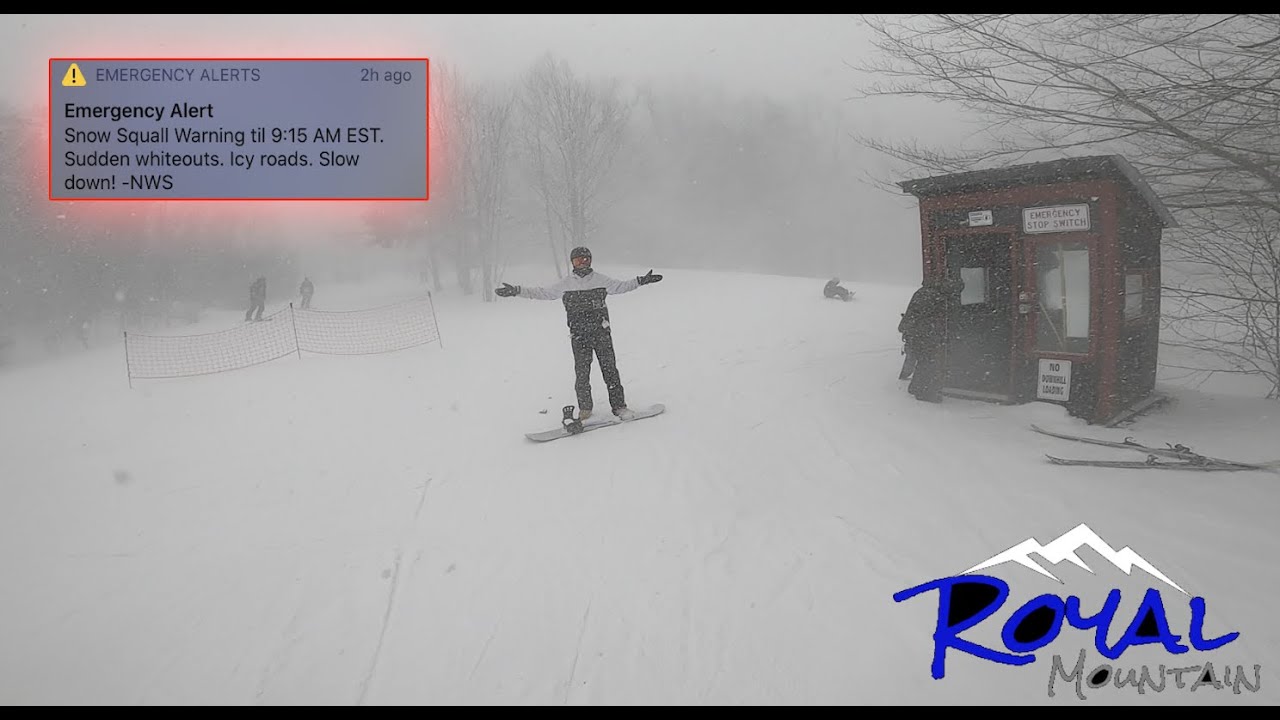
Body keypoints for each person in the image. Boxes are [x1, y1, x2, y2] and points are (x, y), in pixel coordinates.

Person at [495, 246, 663, 421]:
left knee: (610, 370)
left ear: (590, 261)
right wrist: (517, 291)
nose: (582, 263)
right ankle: (585, 409)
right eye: (578, 260)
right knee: (582, 372)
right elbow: (542, 293)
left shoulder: (601, 280)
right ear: (572, 263)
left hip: (601, 333)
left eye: (586, 259)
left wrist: (641, 280)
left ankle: (619, 406)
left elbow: (621, 286)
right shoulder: (566, 284)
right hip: (579, 335)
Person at [898, 277, 954, 402]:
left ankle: (915, 387)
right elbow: (937, 316)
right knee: (928, 362)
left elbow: (913, 313)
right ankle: (924, 393)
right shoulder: (935, 296)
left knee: (923, 361)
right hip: (925, 335)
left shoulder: (921, 292)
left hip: (915, 334)